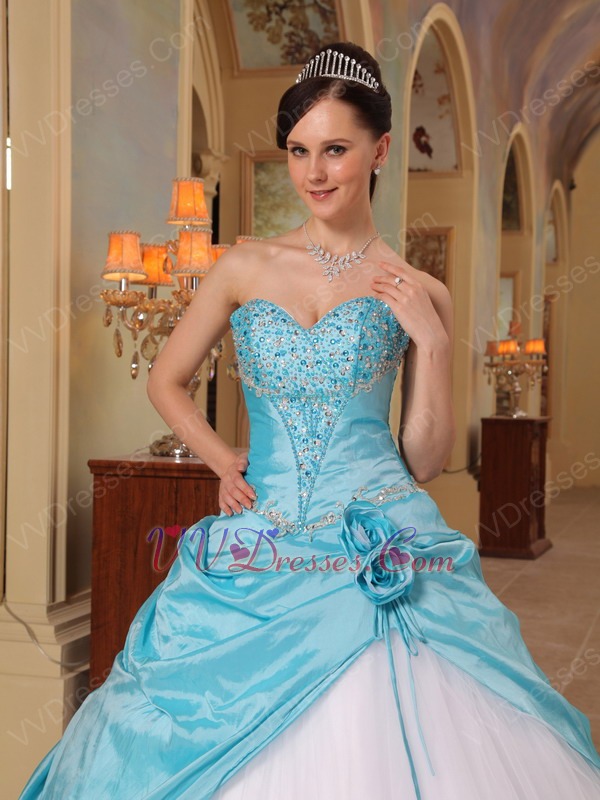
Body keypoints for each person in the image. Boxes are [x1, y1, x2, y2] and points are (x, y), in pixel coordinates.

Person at [19, 41, 600, 800]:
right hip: (264, 533)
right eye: (299, 151)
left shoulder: (419, 289)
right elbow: (166, 380)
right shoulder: (243, 266)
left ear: (380, 150)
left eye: (335, 150)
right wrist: (221, 458)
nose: (315, 173)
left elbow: (425, 460)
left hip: (379, 532)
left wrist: (431, 341)